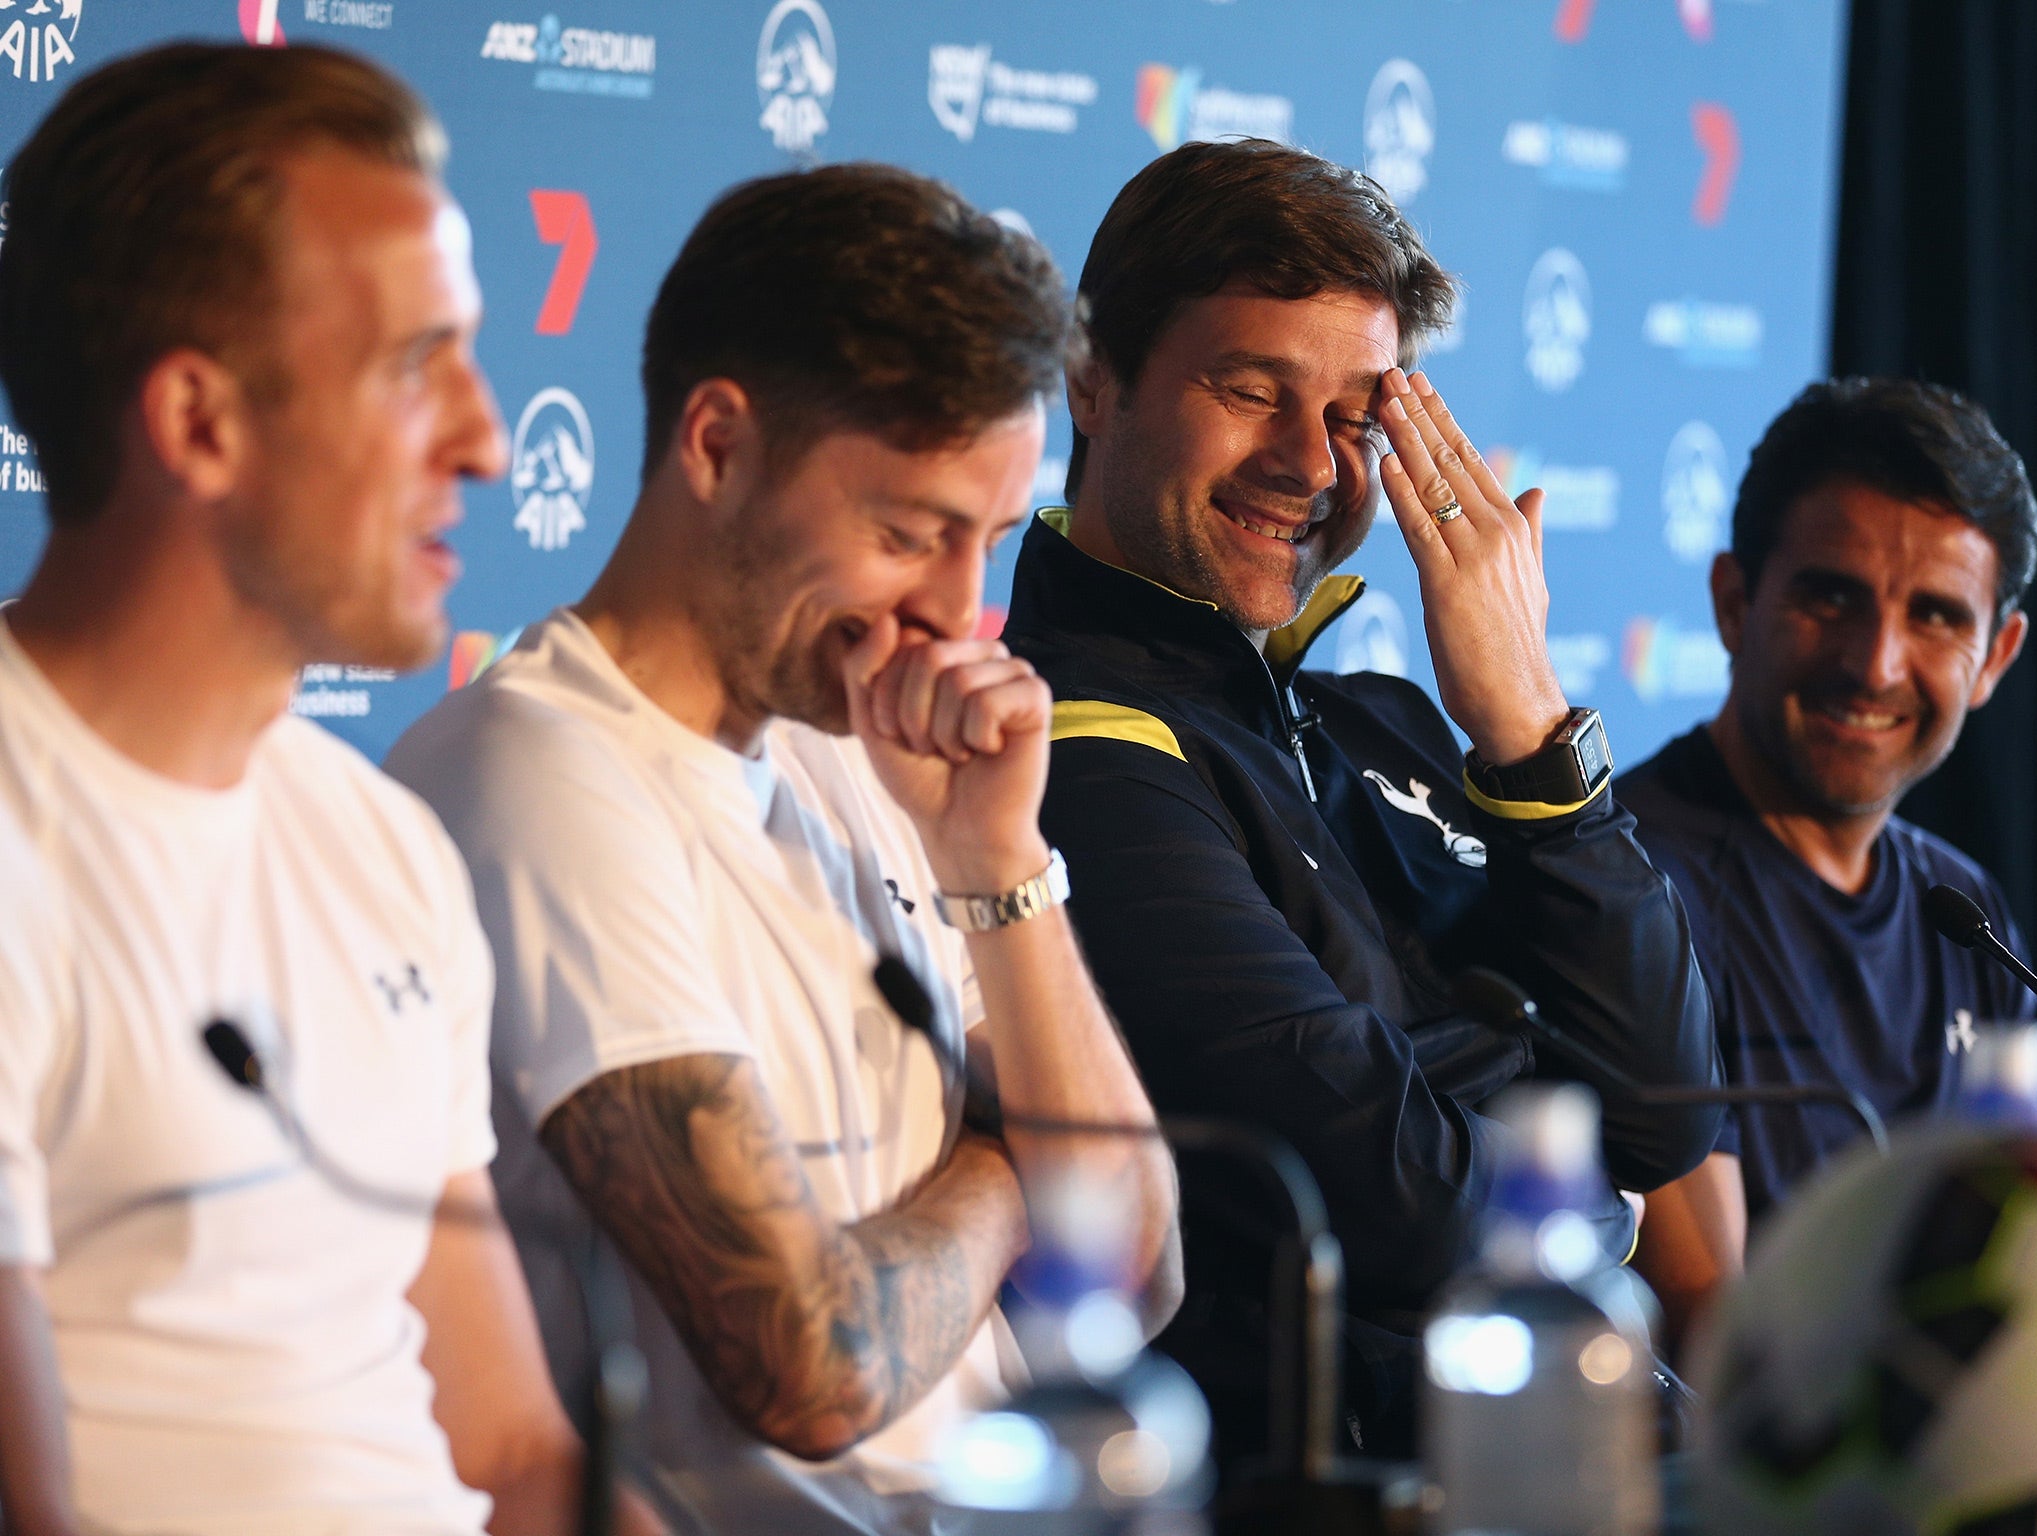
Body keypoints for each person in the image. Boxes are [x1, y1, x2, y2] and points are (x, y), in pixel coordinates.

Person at [386, 163, 1181, 1536]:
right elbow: (810, 1364)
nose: (955, 614)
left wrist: (999, 866)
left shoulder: (869, 747)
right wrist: (1009, 1172)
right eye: (907, 536)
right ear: (715, 445)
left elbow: (1128, 1255)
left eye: (990, 544)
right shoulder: (539, 770)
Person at [0, 43, 659, 1536]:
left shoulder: (377, 840)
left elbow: (510, 1450)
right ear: (199, 423)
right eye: (414, 365)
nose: (490, 439)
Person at [997, 137, 1722, 1462]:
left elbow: (1665, 1114)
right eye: (1249, 388)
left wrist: (1525, 725)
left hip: (1589, 1449)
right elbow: (1402, 1208)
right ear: (1092, 378)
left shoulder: (1372, 720)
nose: (1309, 463)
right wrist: (1578, 1188)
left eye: (1351, 416)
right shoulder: (1052, 752)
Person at [1621, 377, 2037, 1344]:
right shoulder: (1629, 888)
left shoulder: (1965, 907)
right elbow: (1716, 1336)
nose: (1877, 663)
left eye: (1936, 615)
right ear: (1735, 602)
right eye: (1831, 596)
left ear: (1996, 659)